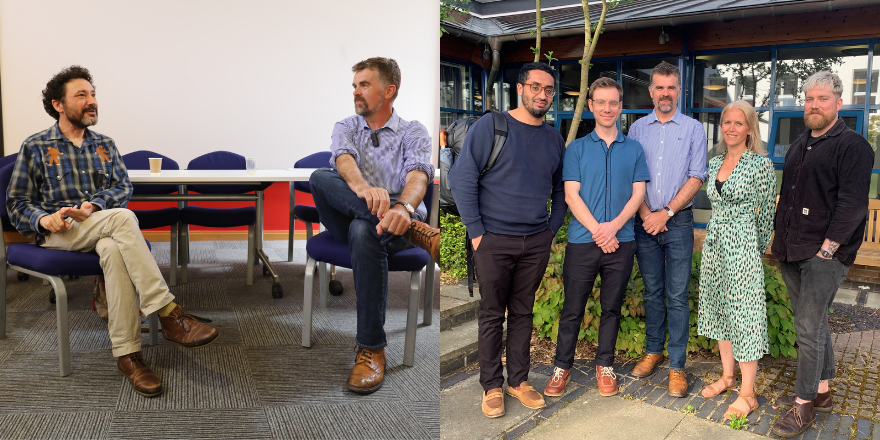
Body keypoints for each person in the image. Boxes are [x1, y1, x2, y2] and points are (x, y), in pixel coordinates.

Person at [6, 65, 219, 397]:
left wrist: (91, 207)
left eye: (93, 94)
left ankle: (128, 355)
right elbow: (16, 202)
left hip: (98, 226)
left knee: (114, 248)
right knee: (123, 220)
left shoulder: (105, 144)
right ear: (58, 104)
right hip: (59, 232)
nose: (92, 101)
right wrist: (43, 220)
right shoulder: (35, 146)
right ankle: (167, 312)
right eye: (82, 95)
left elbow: (122, 187)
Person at [308, 57, 440, 394]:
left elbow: (418, 177)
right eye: (354, 86)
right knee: (320, 178)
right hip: (355, 211)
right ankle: (410, 230)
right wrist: (363, 190)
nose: (356, 92)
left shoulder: (413, 131)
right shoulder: (347, 126)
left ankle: (372, 348)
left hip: (393, 219)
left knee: (363, 231)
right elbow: (343, 160)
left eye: (364, 85)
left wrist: (404, 208)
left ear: (388, 90)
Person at [448, 62, 566, 418]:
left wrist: (550, 231)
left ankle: (518, 381)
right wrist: (477, 233)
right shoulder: (492, 126)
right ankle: (491, 386)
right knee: (490, 315)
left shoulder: (553, 138)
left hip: (535, 242)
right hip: (494, 240)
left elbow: (561, 190)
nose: (542, 94)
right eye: (536, 87)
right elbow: (462, 179)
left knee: (522, 313)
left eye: (548, 90)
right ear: (520, 88)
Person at [770, 71, 873, 438]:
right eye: (809, 99)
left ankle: (803, 406)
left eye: (822, 99)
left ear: (838, 103)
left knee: (808, 328)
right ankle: (823, 392)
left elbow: (851, 206)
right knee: (814, 324)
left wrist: (827, 251)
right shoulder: (800, 145)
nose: (814, 105)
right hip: (791, 250)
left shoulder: (853, 146)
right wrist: (777, 243)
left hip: (823, 256)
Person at [543, 77, 649, 399]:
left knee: (611, 308)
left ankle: (606, 365)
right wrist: (598, 231)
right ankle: (562, 366)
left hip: (621, 241)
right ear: (590, 106)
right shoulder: (574, 149)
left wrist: (613, 227)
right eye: (600, 102)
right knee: (572, 309)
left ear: (620, 106)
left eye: (613, 102)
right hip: (582, 241)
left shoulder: (634, 148)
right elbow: (571, 195)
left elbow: (638, 193)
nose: (607, 108)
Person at [627, 61, 708, 397]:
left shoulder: (693, 129)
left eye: (670, 87)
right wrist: (647, 213)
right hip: (644, 221)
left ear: (678, 90)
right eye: (659, 87)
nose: (665, 93)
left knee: (676, 295)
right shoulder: (636, 130)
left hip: (678, 222)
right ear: (651, 91)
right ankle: (653, 351)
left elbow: (697, 175)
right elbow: (633, 176)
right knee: (652, 292)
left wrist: (667, 212)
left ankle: (677, 365)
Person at [697, 100, 776, 420]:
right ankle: (728, 377)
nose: (731, 128)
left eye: (738, 123)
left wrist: (752, 252)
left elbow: (767, 216)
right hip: (715, 246)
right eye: (726, 122)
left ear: (750, 129)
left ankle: (748, 393)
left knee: (745, 317)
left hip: (742, 249)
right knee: (720, 312)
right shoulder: (714, 164)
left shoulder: (760, 165)